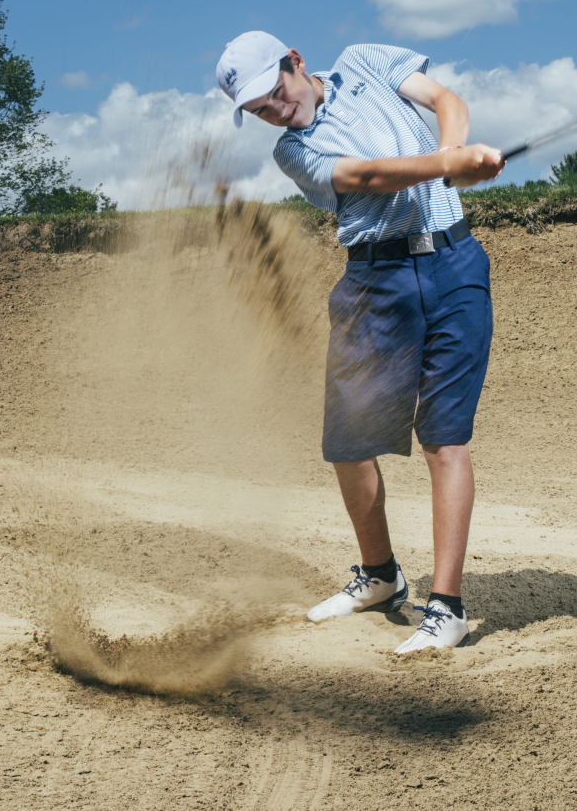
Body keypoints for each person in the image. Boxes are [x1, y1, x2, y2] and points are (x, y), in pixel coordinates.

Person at [216, 32, 505, 653]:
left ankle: (446, 607)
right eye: (259, 111)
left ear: (295, 61)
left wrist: (452, 150)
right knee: (347, 440)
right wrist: (449, 166)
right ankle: (380, 576)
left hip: (454, 269)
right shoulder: (294, 152)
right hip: (375, 281)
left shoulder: (363, 60)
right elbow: (367, 175)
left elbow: (444, 98)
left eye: (273, 95)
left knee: (444, 438)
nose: (273, 112)